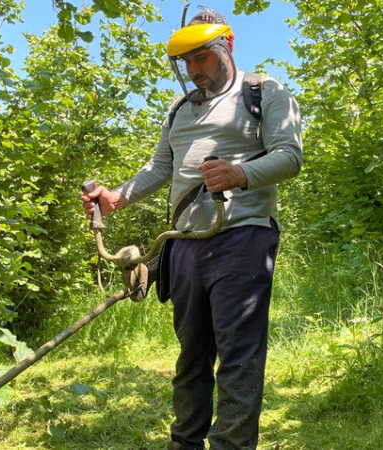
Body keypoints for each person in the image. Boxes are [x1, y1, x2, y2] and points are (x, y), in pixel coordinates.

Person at [81, 6, 302, 450]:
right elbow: (161, 166)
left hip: (243, 235)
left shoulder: (265, 91)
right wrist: (118, 196)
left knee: (239, 354)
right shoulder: (179, 108)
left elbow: (290, 155)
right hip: (183, 243)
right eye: (186, 61)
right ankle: (184, 443)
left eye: (202, 56)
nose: (194, 69)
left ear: (228, 46)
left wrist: (240, 174)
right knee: (191, 355)